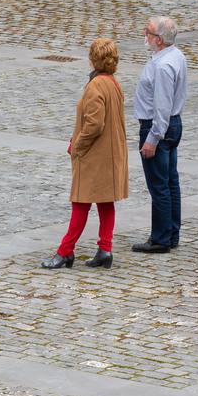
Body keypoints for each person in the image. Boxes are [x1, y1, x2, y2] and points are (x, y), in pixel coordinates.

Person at [40, 38, 129, 270]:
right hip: (109, 155)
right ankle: (105, 249)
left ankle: (65, 252)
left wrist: (77, 145)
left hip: (95, 156)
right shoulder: (113, 83)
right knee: (105, 202)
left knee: (80, 203)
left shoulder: (96, 86)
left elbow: (94, 125)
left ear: (92, 59)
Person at [132, 15, 187, 254]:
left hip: (158, 127)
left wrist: (152, 138)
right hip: (173, 124)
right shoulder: (175, 56)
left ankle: (161, 238)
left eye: (149, 32)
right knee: (170, 181)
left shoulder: (163, 66)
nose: (145, 35)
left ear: (160, 40)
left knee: (160, 186)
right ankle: (171, 232)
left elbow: (162, 106)